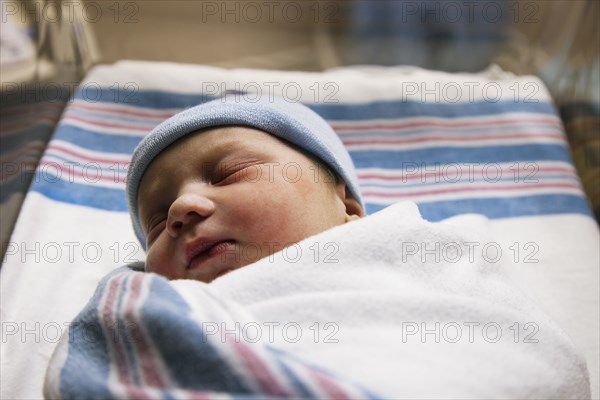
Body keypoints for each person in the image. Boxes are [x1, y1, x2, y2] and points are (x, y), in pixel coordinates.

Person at [126, 94, 365, 282]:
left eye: (230, 172)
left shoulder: (391, 247)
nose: (181, 207)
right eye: (157, 223)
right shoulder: (135, 305)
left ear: (345, 204)